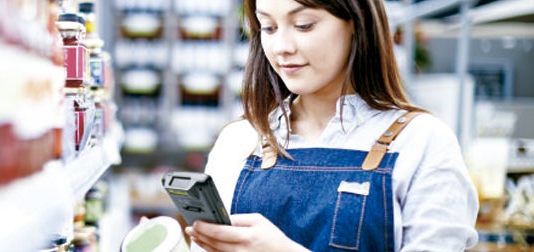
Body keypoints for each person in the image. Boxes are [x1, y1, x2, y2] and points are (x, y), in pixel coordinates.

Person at [184, 0, 479, 251]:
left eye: (303, 25)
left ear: (356, 21)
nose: (281, 47)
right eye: (268, 28)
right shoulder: (239, 139)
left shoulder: (422, 141)